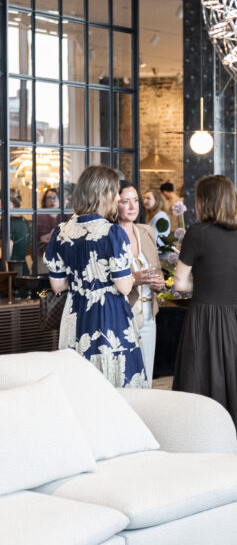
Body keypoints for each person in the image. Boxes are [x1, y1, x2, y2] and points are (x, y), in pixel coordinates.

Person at [172, 175, 237, 456]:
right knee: (231, 381)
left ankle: (197, 446)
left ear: (203, 202)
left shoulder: (197, 233)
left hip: (203, 318)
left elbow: (179, 285)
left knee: (199, 381)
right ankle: (234, 445)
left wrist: (202, 284)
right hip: (232, 319)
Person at [45, 165, 146, 388]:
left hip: (75, 315)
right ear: (105, 194)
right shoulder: (112, 232)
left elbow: (58, 285)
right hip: (108, 316)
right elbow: (123, 287)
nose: (119, 197)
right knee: (114, 383)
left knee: (80, 381)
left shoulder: (61, 232)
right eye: (117, 191)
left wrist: (82, 278)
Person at [116, 181, 165, 387]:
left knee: (147, 376)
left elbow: (158, 269)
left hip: (148, 316)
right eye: (125, 201)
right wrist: (135, 279)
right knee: (124, 377)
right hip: (122, 316)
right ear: (114, 204)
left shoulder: (146, 231)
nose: (132, 206)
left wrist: (160, 281)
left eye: (135, 200)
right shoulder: (109, 235)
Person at [36, 187, 60, 271]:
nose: (52, 200)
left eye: (55, 198)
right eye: (49, 198)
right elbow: (43, 238)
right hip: (43, 256)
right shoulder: (40, 216)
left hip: (62, 257)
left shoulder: (65, 215)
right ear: (45, 200)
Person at [142, 188, 171, 255]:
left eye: (148, 198)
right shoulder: (155, 215)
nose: (144, 201)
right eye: (144, 198)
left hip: (158, 254)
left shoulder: (161, 217)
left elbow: (153, 239)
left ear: (157, 200)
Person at [8, 189, 31, 274]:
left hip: (9, 271)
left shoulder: (8, 223)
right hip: (23, 269)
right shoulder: (24, 221)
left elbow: (6, 253)